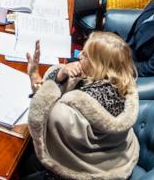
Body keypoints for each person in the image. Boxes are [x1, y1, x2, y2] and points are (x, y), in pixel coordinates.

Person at [23, 32, 139, 180]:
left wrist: (35, 77)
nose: (78, 57)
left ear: (99, 64)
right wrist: (62, 73)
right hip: (115, 157)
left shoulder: (85, 101)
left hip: (82, 172)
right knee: (29, 161)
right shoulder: (119, 83)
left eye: (85, 55)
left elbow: (42, 113)